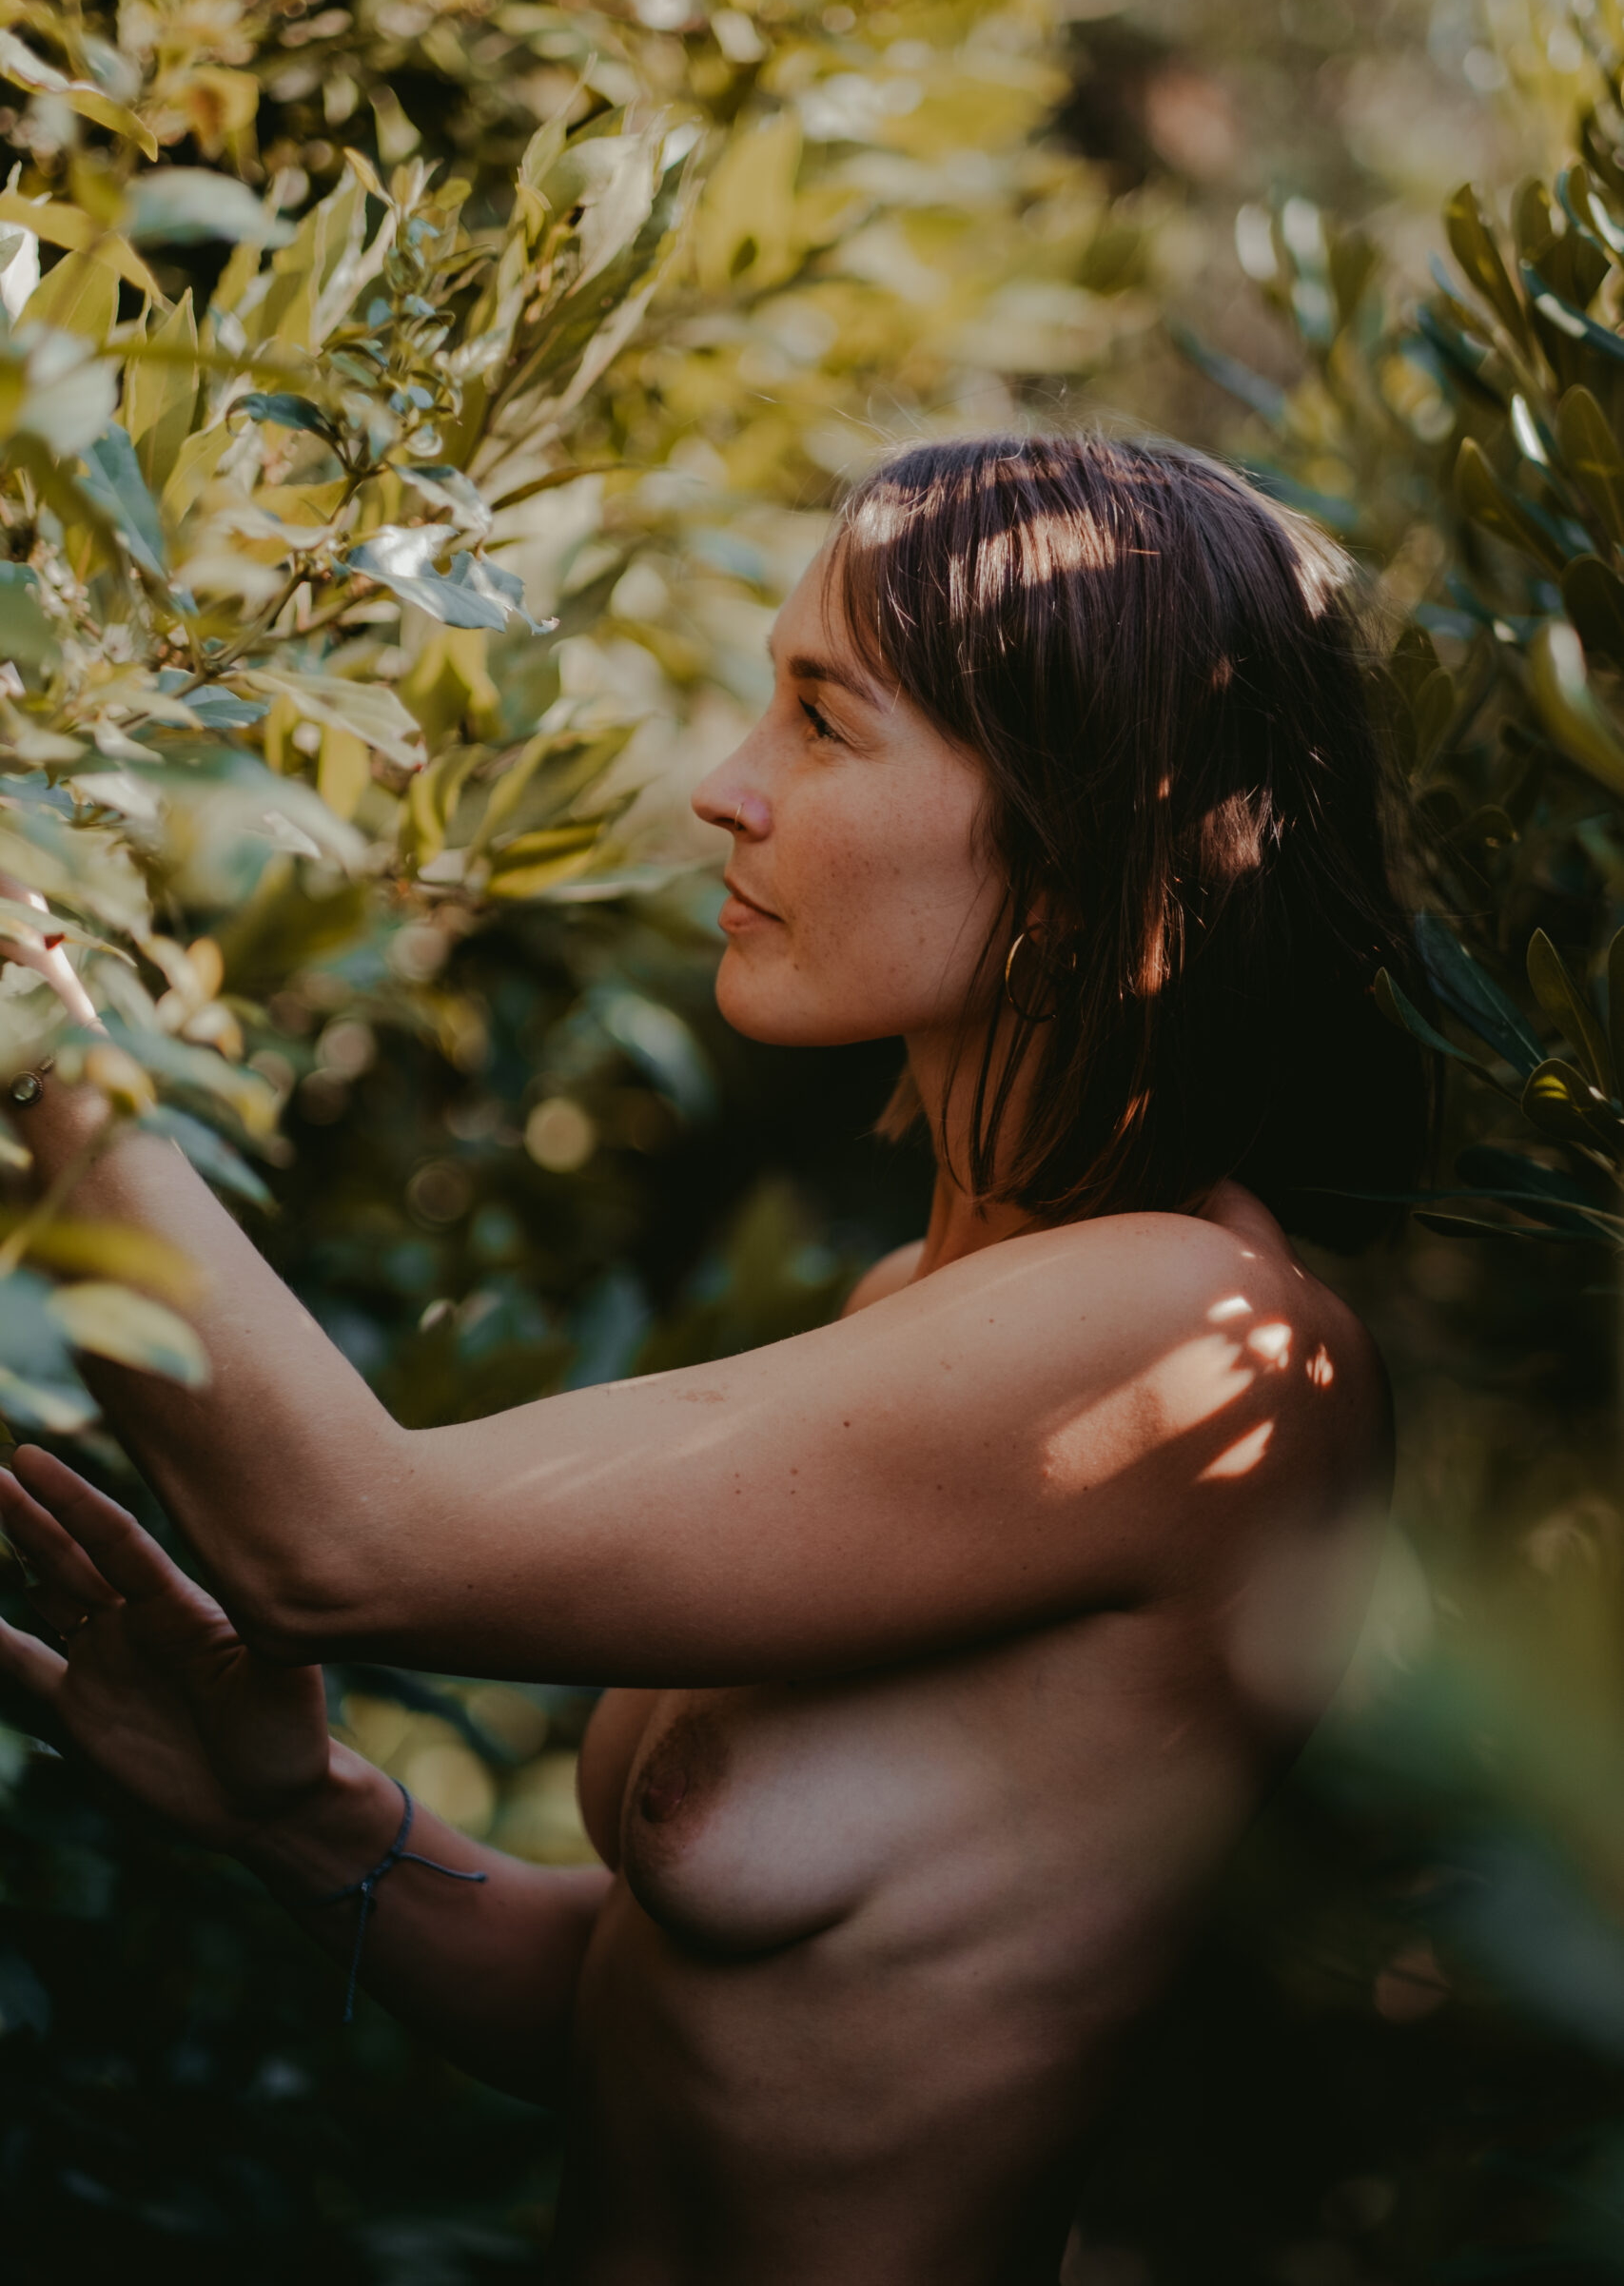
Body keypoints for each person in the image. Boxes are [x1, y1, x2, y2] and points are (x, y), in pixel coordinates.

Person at [0, 434, 1425, 2285]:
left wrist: (43, 1048)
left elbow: (340, 1541)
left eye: (822, 723)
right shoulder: (933, 1296)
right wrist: (307, 1814)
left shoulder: (1187, 1341)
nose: (723, 787)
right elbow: (658, 2034)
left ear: (1078, 842)